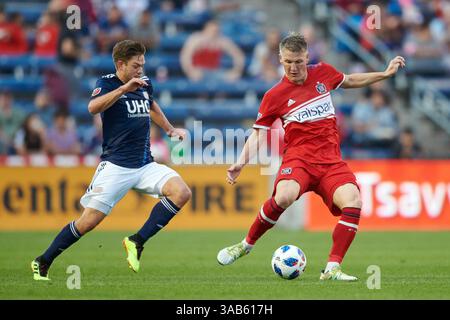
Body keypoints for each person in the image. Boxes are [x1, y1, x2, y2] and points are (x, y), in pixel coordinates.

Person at [217, 32, 406, 281]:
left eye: (298, 61)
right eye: (287, 62)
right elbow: (258, 134)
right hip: (299, 160)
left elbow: (349, 80)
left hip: (330, 161)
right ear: (280, 59)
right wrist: (241, 163)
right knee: (284, 196)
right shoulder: (274, 96)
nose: (293, 68)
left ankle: (332, 268)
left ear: (307, 57)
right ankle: (246, 245)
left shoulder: (323, 73)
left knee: (354, 201)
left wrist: (384, 74)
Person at [31, 40, 192, 281]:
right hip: (116, 165)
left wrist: (169, 130)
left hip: (145, 163)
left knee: (181, 192)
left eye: (143, 65)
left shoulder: (144, 84)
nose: (141, 70)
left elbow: (152, 105)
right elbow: (93, 108)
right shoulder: (107, 83)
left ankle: (136, 241)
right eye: (136, 65)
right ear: (121, 64)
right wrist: (124, 89)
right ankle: (43, 261)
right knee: (88, 221)